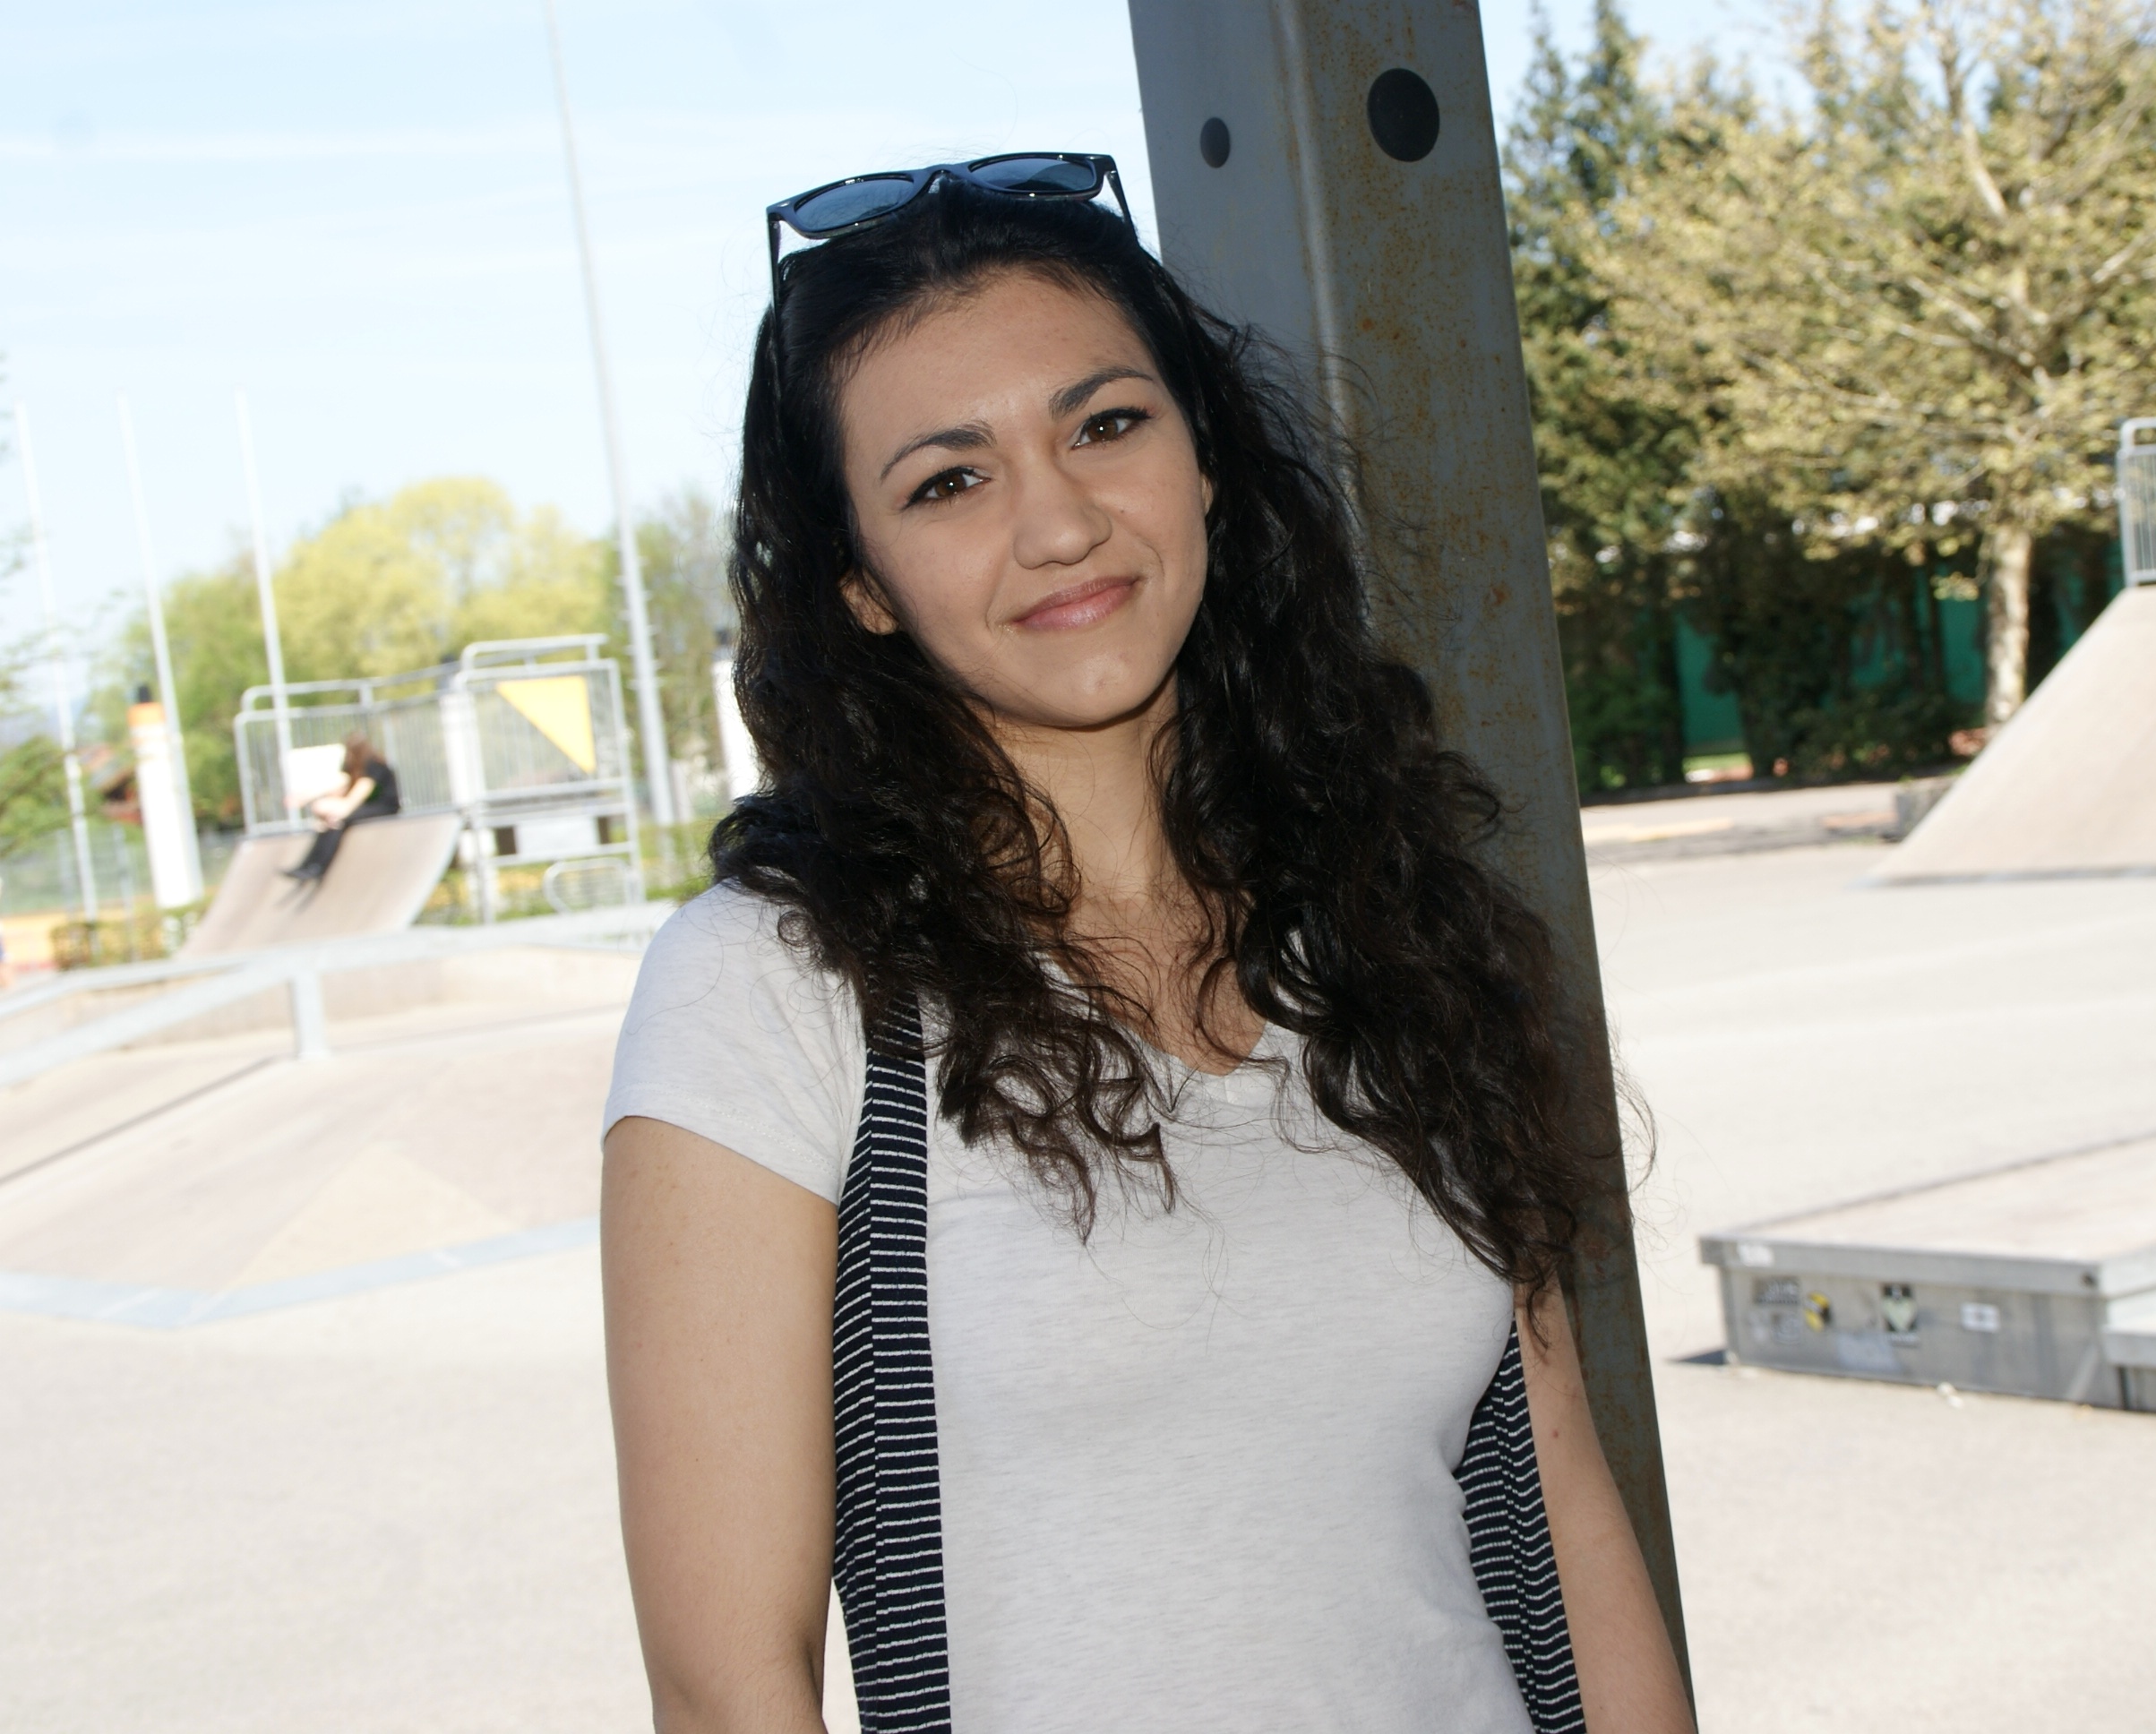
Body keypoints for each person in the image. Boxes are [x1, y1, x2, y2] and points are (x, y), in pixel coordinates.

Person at [600, 155, 1695, 1734]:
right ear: (861, 587)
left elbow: (1569, 1513)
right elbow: (726, 1687)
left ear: (1207, 464)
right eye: (948, 482)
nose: (1058, 522)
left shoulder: (1387, 922)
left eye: (1106, 425)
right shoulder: (775, 984)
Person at [283, 732, 398, 882]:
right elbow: (337, 783)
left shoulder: (374, 765)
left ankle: (317, 867)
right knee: (329, 823)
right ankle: (306, 866)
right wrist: (304, 797)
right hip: (366, 806)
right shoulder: (352, 766)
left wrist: (343, 811)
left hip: (384, 806)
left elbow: (361, 792)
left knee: (337, 822)